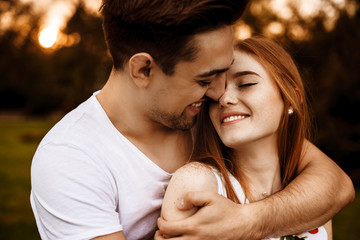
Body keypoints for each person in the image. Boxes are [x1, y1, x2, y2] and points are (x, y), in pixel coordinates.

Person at [30, 0, 354, 239]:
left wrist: (247, 221)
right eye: (205, 79)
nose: (219, 93)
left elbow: (334, 184)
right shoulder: (70, 159)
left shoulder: (209, 116)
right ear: (144, 69)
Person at [158, 37, 335, 239]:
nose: (224, 99)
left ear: (290, 99)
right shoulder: (198, 183)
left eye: (246, 83)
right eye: (216, 95)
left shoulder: (313, 193)